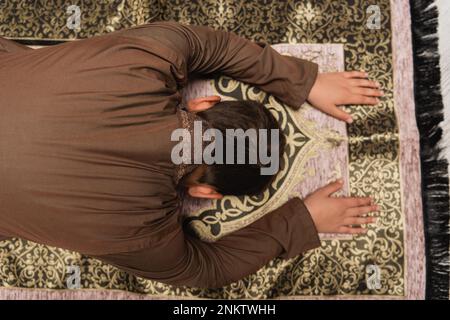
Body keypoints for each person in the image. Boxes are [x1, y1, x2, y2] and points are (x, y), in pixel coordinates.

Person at [0, 21, 382, 288]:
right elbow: (207, 272)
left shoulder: (150, 60)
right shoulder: (144, 236)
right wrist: (301, 220)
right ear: (205, 193)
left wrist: (304, 79)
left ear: (204, 101)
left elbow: (210, 45)